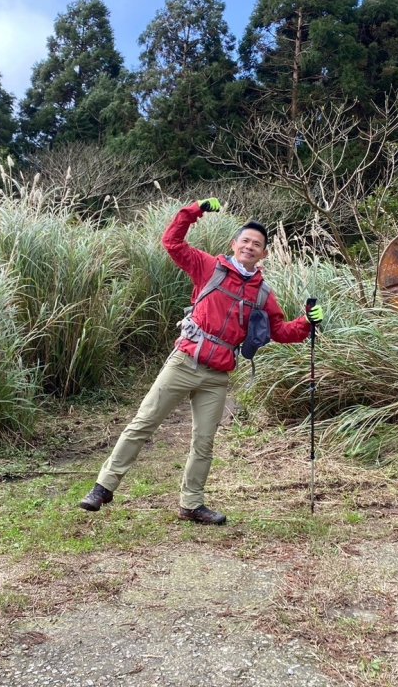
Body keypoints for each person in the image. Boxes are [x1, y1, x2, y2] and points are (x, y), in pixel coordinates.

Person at [79, 198, 324, 525]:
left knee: (204, 443)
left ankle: (191, 504)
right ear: (234, 244)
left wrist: (307, 321)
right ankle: (103, 487)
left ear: (264, 254)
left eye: (257, 245)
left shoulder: (263, 294)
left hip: (217, 376)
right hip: (184, 361)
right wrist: (193, 211)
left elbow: (280, 331)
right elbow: (172, 243)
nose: (250, 247)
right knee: (143, 423)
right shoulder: (208, 266)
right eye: (245, 241)